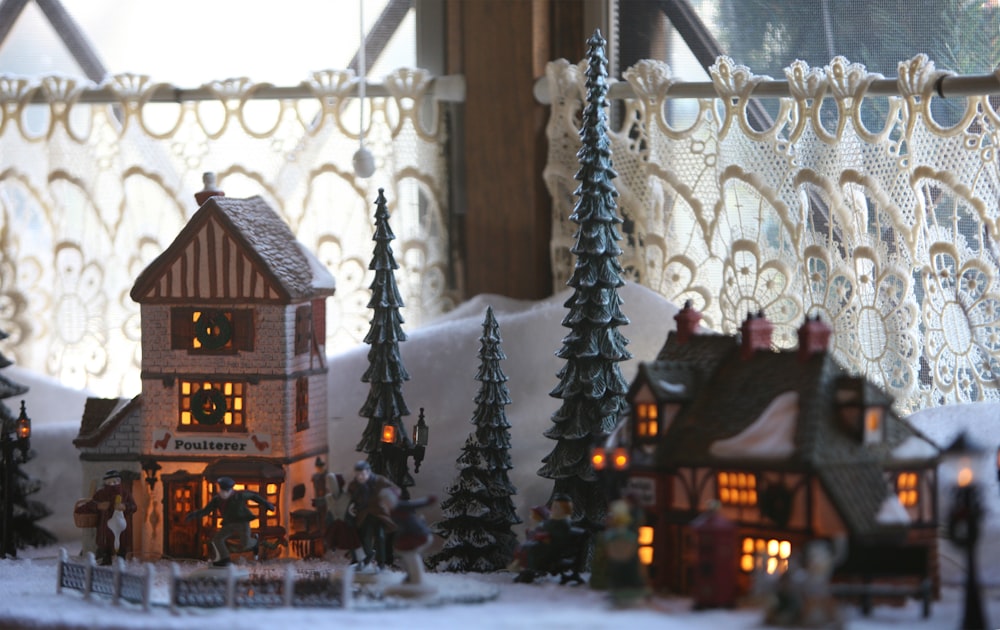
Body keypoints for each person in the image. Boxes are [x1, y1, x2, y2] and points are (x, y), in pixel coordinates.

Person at [185, 476, 276, 566]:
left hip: (242, 522)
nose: (224, 493)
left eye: (227, 491)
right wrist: (193, 515)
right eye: (223, 490)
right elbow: (206, 510)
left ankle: (255, 542)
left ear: (231, 490)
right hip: (229, 523)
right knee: (217, 539)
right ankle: (225, 559)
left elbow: (253, 495)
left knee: (246, 544)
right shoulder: (217, 500)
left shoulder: (239, 496)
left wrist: (266, 504)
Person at [76, 470, 137, 565]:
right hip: (104, 527)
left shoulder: (125, 493)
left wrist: (125, 507)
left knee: (121, 544)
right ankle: (105, 558)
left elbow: (133, 506)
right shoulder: (101, 494)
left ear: (119, 481)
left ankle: (121, 560)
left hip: (121, 526)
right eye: (109, 482)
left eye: (115, 482)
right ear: (105, 482)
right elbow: (90, 505)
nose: (112, 484)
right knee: (105, 545)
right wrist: (98, 506)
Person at [379, 487, 436, 586]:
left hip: (419, 534)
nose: (385, 503)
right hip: (410, 534)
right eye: (384, 501)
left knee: (410, 555)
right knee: (405, 554)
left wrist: (428, 501)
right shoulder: (391, 511)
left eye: (386, 500)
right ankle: (411, 575)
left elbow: (415, 504)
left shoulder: (400, 506)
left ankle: (416, 578)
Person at [346, 460, 398, 569]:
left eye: (363, 474)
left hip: (379, 514)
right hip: (364, 515)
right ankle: (366, 558)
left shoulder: (380, 481)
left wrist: (388, 499)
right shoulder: (354, 485)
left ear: (368, 472)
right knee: (365, 538)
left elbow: (395, 490)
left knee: (380, 537)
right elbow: (350, 498)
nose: (360, 477)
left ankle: (381, 563)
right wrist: (352, 507)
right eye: (358, 475)